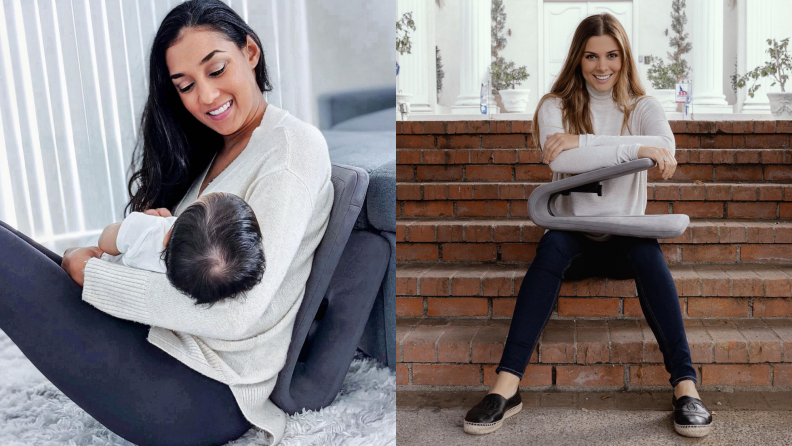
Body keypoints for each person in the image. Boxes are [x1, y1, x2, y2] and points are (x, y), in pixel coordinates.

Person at [0, 0, 332, 445]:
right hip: (168, 352)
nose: (206, 97)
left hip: (206, 393)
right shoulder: (221, 149)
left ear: (250, 52)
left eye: (216, 70)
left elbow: (238, 312)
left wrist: (94, 277)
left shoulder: (291, 151)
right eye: (186, 85)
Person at [463, 13, 712, 438]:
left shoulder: (643, 107)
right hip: (572, 235)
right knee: (550, 250)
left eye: (612, 56)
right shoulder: (554, 106)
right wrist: (629, 148)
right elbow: (562, 160)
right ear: (578, 58)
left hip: (625, 233)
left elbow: (665, 152)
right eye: (592, 56)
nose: (602, 67)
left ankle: (686, 389)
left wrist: (585, 141)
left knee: (650, 256)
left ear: (624, 57)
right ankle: (507, 389)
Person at [97, 192, 266, 307]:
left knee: (84, 255)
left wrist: (145, 222)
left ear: (167, 236)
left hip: (108, 276)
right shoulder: (195, 282)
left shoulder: (150, 229)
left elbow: (105, 241)